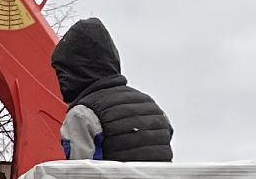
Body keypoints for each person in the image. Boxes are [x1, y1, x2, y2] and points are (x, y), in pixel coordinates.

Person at [51, 17, 173, 163]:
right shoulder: (152, 107)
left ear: (77, 69)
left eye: (62, 71)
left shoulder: (82, 114)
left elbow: (80, 176)